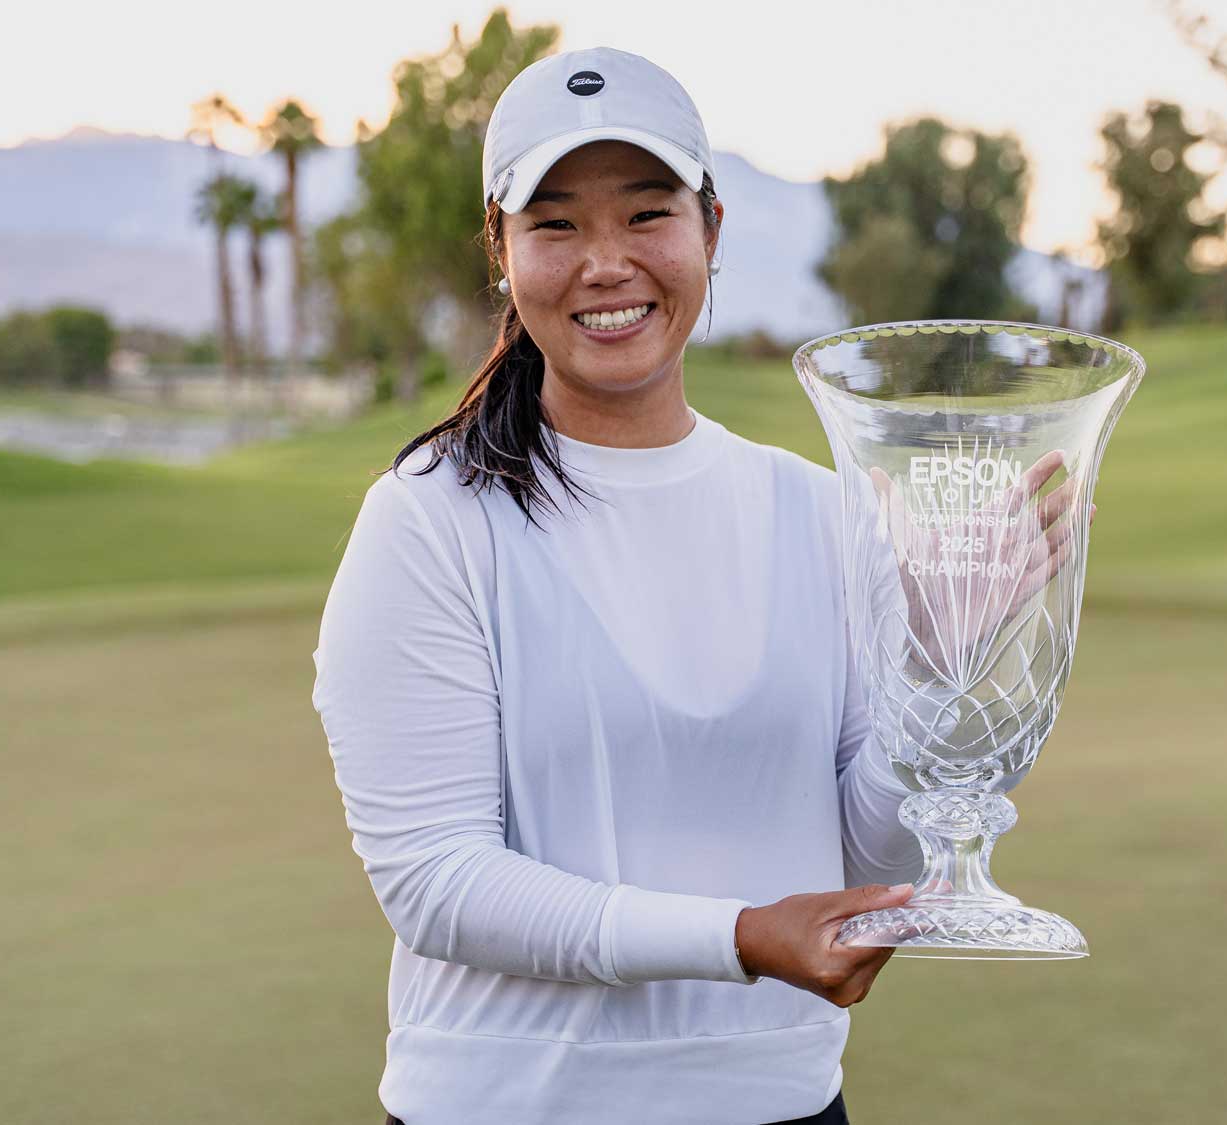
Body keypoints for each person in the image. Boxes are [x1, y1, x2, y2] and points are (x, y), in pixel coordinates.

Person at [309, 47, 923, 1125]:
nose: (605, 263)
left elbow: (880, 852)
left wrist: (955, 657)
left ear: (710, 233)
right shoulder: (429, 519)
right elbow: (437, 882)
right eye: (554, 224)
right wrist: (737, 936)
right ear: (500, 251)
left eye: (645, 214)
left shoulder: (819, 512)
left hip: (779, 1104)